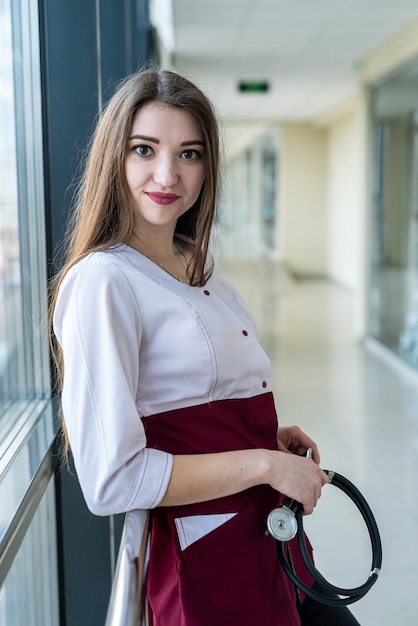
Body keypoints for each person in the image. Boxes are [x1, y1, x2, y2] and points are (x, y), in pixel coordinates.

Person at [51, 68, 360, 625]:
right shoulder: (104, 281)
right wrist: (262, 462)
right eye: (144, 149)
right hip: (212, 566)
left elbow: (199, 398)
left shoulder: (201, 264)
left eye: (189, 154)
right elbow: (112, 479)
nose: (167, 174)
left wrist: (267, 436)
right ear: (113, 158)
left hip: (272, 545)